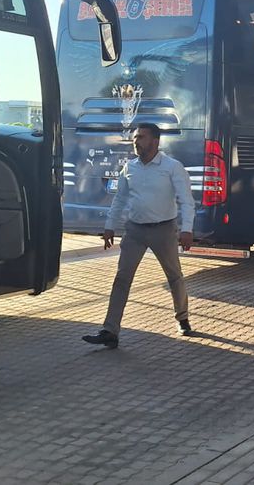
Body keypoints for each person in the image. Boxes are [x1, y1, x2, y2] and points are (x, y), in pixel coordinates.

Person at [83, 123, 196, 348]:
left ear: (155, 141)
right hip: (134, 230)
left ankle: (182, 318)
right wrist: (109, 226)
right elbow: (120, 199)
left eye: (141, 137)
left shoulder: (172, 167)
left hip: (164, 230)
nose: (136, 141)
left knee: (174, 276)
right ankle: (110, 330)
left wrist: (187, 229)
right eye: (135, 137)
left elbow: (186, 199)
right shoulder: (130, 167)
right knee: (121, 279)